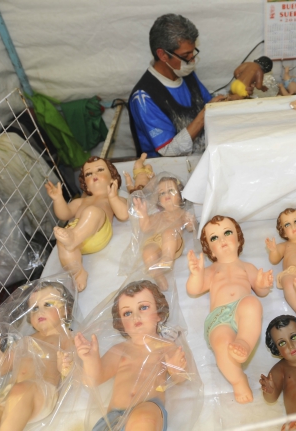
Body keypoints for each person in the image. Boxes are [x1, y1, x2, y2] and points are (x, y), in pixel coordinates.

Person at [75, 280, 188, 431]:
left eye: (143, 307)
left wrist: (176, 370)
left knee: (143, 420)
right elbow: (94, 379)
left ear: (159, 314)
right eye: (127, 313)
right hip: (114, 418)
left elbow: (180, 378)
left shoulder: (166, 346)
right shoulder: (119, 350)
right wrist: (90, 360)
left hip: (148, 409)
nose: (136, 316)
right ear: (120, 322)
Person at [186, 215, 273, 403]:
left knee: (252, 303)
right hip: (219, 318)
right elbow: (193, 290)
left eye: (227, 233)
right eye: (214, 238)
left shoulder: (247, 267)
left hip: (242, 310)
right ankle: (238, 380)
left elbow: (260, 292)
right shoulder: (212, 270)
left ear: (239, 239)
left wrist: (262, 284)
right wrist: (196, 274)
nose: (222, 239)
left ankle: (244, 342)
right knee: (222, 345)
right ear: (210, 250)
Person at [129, 14, 238, 158]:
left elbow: (207, 102)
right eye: (186, 56)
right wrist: (205, 113)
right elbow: (169, 151)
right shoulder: (144, 98)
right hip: (168, 168)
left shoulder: (185, 74)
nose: (192, 61)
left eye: (193, 53)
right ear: (162, 55)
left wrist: (228, 100)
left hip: (202, 157)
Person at [0, 281, 74, 431]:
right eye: (34, 308)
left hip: (40, 392)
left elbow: (77, 362)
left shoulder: (67, 338)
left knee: (21, 391)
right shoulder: (25, 340)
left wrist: (66, 367)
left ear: (65, 309)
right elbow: (2, 368)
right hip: (10, 391)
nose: (40, 312)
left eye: (48, 304)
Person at [47, 157, 129, 291]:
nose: (94, 175)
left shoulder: (113, 198)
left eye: (100, 170)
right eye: (88, 174)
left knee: (92, 211)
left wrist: (113, 197)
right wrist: (58, 199)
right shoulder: (81, 201)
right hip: (75, 238)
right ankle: (78, 273)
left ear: (112, 179)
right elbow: (64, 214)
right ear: (85, 184)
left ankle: (74, 237)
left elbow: (124, 215)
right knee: (61, 242)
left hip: (98, 233)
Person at [133, 176, 195, 290]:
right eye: (162, 193)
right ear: (158, 200)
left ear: (180, 196)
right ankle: (159, 277)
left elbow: (190, 228)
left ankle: (167, 258)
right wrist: (143, 214)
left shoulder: (182, 213)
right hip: (156, 240)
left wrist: (191, 221)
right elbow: (146, 228)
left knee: (169, 232)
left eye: (171, 190)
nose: (167, 195)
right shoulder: (157, 215)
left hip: (174, 240)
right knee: (147, 252)